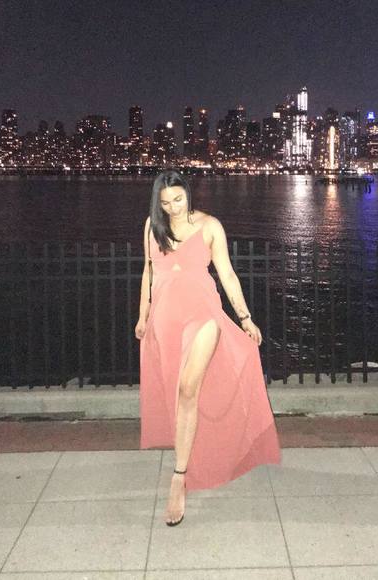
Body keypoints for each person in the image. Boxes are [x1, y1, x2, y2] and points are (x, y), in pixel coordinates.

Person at [135, 169, 281, 526]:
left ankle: (179, 476)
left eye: (178, 199)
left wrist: (245, 318)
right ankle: (190, 457)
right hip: (166, 318)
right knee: (176, 393)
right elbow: (149, 273)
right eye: (165, 202)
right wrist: (142, 316)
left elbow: (226, 274)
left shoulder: (210, 226)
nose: (173, 207)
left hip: (203, 316)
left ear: (188, 193)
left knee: (188, 389)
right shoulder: (152, 227)